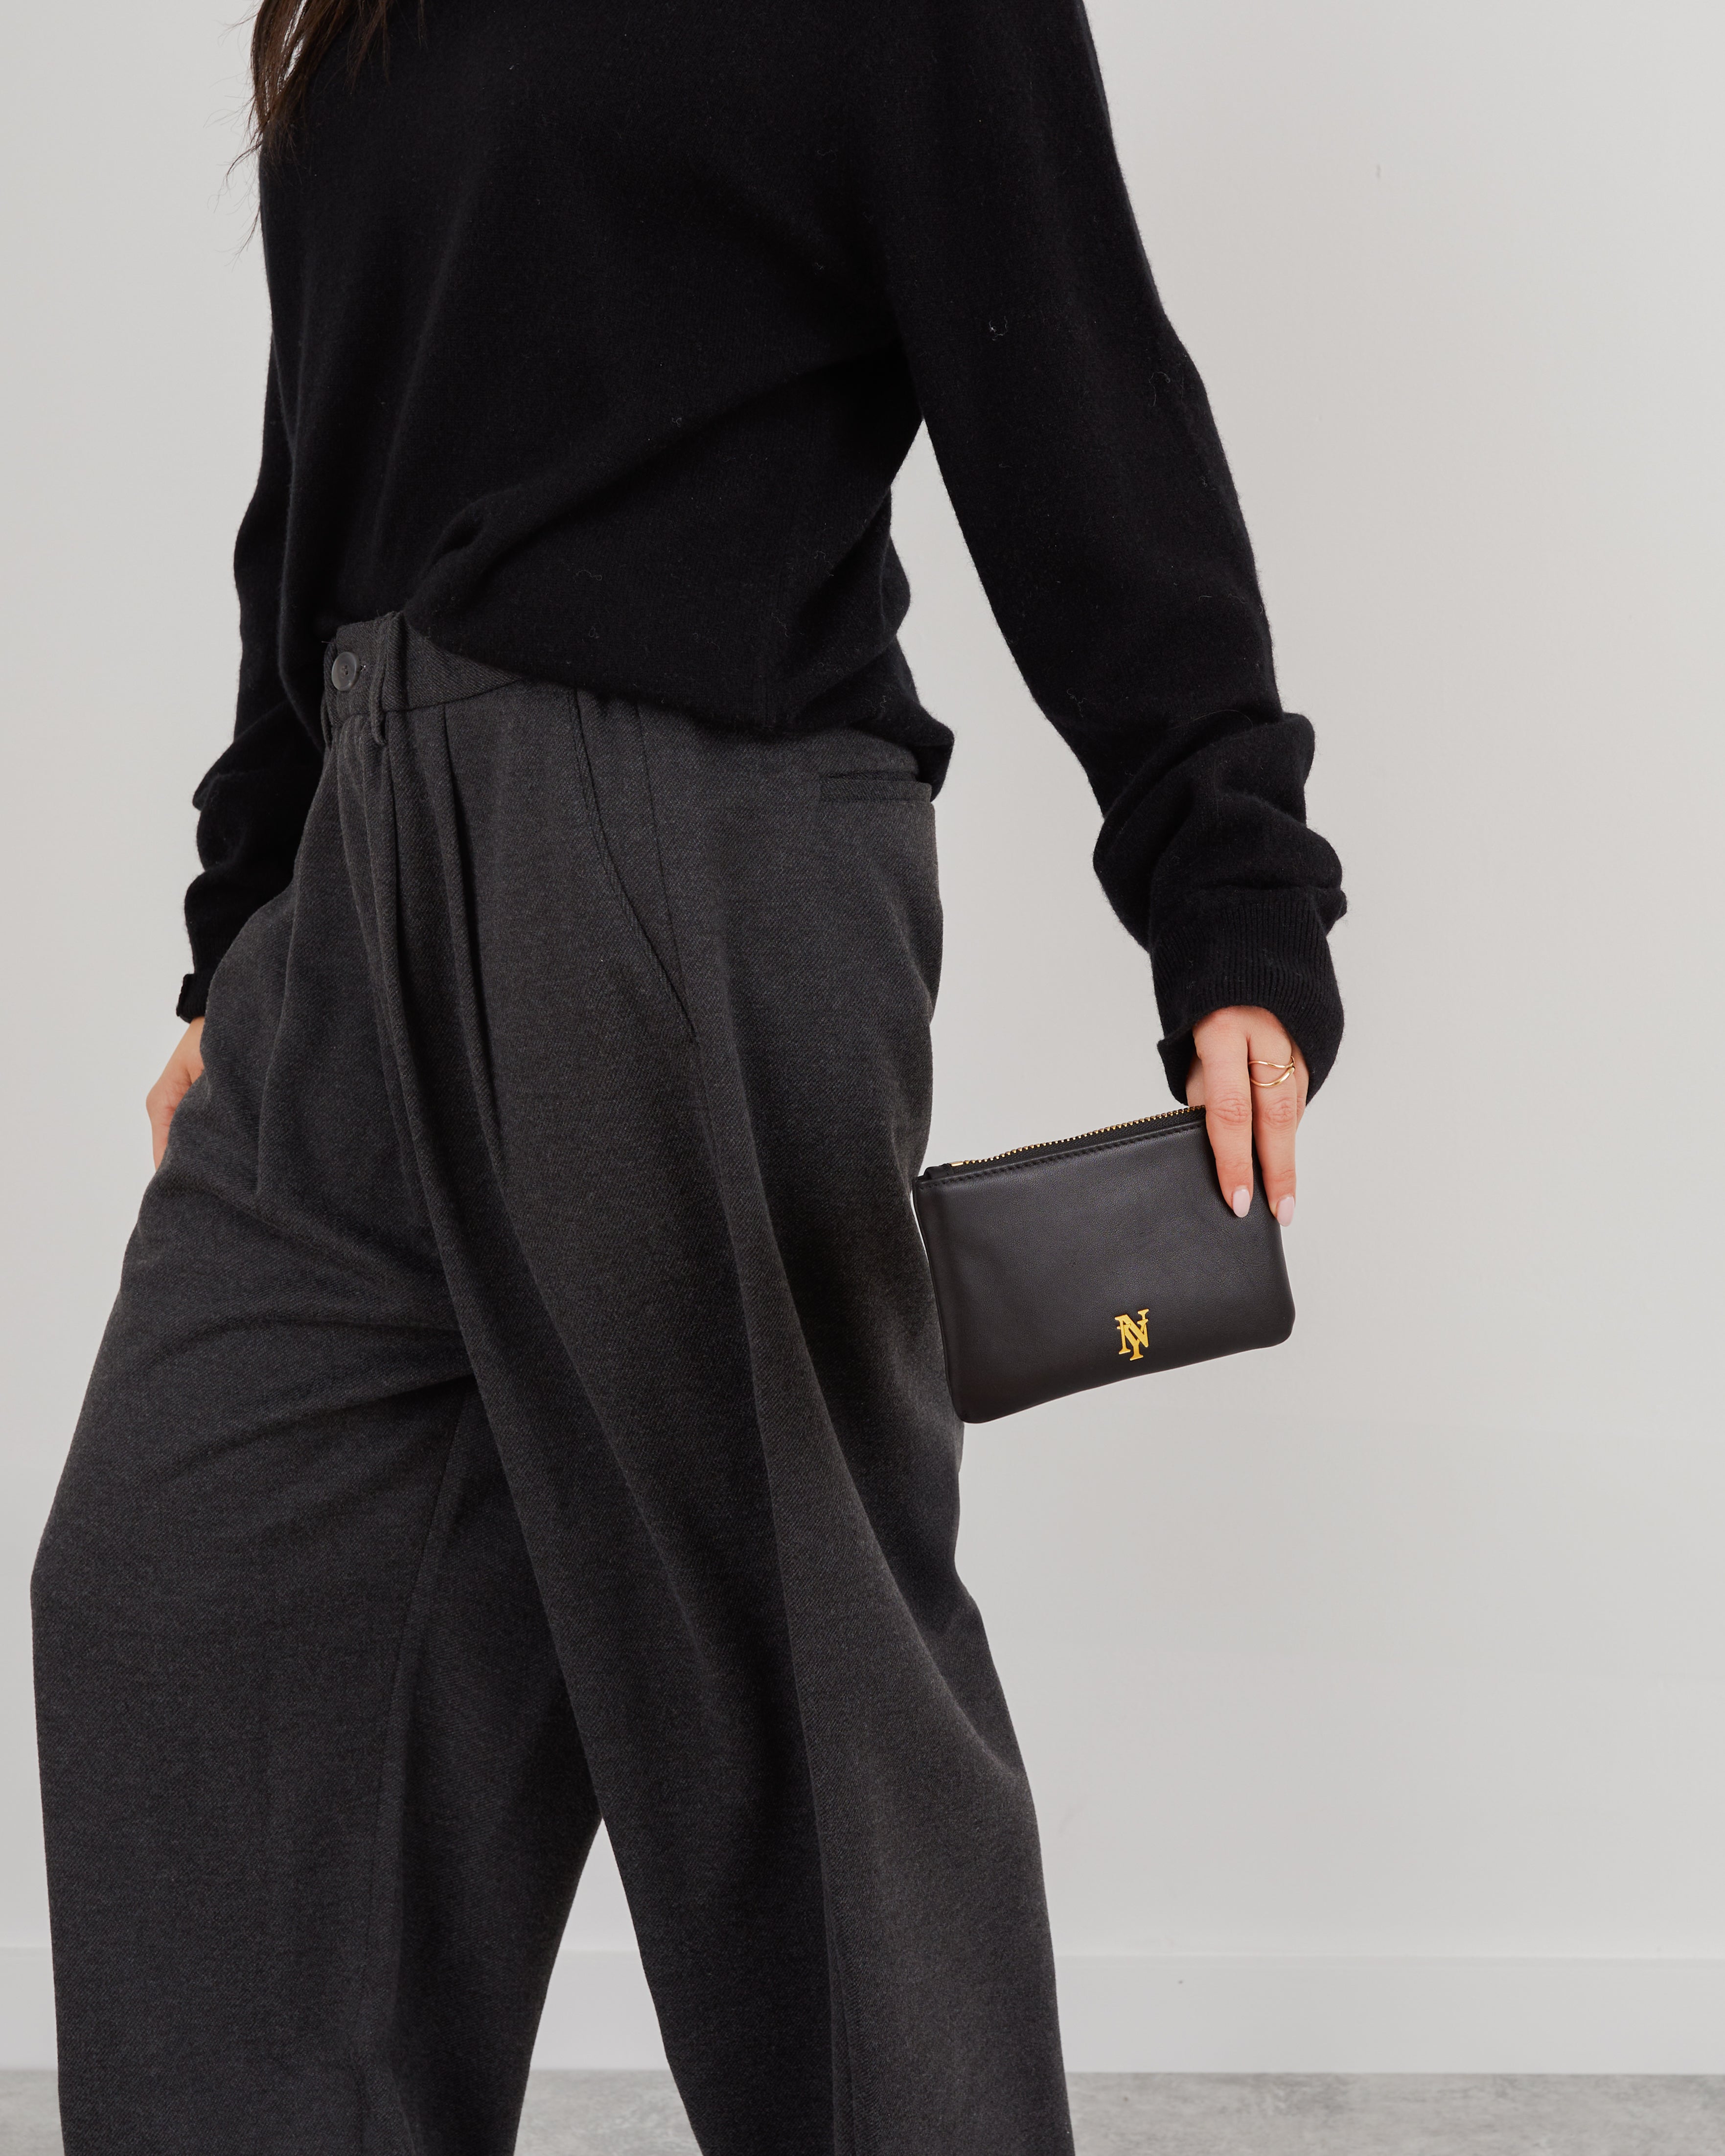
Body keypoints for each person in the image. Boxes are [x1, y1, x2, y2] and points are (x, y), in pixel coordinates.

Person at [31, 0, 1345, 2147]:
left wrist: (1230, 890)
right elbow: (324, 471)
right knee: (189, 1610)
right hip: (359, 892)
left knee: (802, 1747)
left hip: (688, 852)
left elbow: (1077, 392)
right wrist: (252, 923)